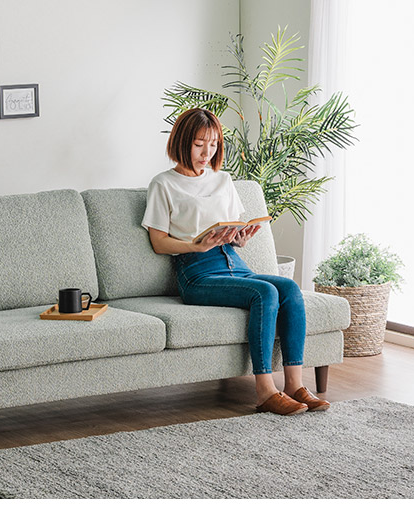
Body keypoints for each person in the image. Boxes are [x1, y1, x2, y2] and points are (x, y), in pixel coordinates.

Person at [141, 108, 329, 416]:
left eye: (213, 144)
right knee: (265, 293)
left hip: (233, 261)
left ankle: (294, 385)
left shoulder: (223, 181)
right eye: (199, 143)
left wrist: (239, 238)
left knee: (289, 289)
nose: (207, 152)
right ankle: (265, 391)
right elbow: (159, 242)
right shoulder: (163, 184)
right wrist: (194, 245)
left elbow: (230, 227)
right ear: (182, 141)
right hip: (196, 272)